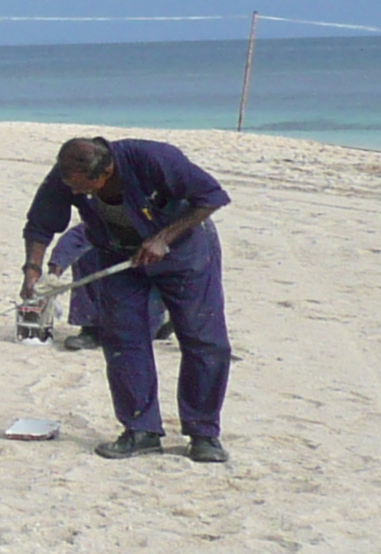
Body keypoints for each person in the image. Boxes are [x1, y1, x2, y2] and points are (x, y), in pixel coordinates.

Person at [23, 135, 233, 462]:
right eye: (73, 187)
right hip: (117, 255)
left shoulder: (155, 159)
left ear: (106, 171)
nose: (77, 194)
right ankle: (141, 431)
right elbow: (40, 223)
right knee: (123, 339)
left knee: (203, 340)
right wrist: (32, 270)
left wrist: (163, 238)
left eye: (86, 188)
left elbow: (212, 197)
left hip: (183, 253)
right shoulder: (67, 175)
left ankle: (204, 433)